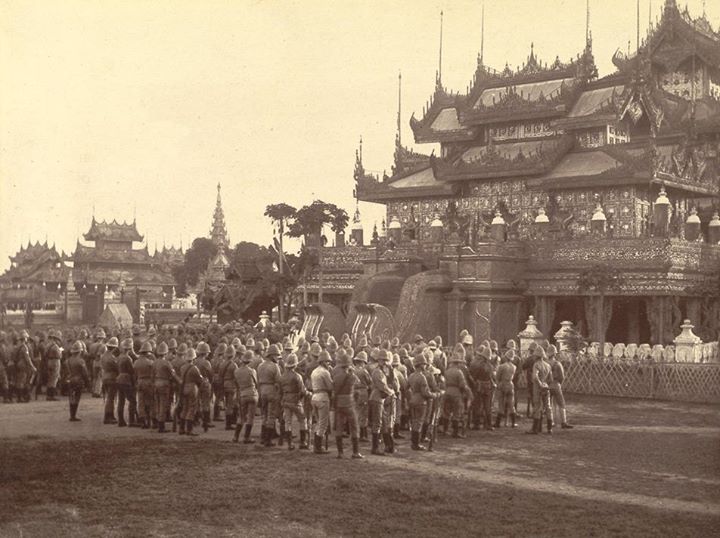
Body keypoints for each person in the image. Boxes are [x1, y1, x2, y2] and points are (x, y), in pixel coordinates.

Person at [331, 349, 363, 459]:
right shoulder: (352, 376)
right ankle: (355, 452)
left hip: (339, 403)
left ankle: (340, 452)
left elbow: (334, 389)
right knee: (354, 426)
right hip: (349, 403)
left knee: (339, 427)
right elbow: (358, 387)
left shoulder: (336, 376)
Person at [407, 352, 437, 451]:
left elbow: (406, 387)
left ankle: (413, 442)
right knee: (419, 422)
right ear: (420, 365)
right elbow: (425, 393)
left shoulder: (411, 375)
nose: (425, 365)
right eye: (424, 364)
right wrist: (436, 395)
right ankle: (416, 444)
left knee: (414, 421)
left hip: (413, 399)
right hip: (421, 401)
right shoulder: (422, 377)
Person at [279, 352, 308, 451]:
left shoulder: (282, 376)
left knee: (288, 421)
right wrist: (308, 394)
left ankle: (290, 443)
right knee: (303, 420)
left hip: (286, 400)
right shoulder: (297, 376)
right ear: (295, 364)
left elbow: (280, 390)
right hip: (296, 401)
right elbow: (302, 390)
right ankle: (303, 442)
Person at [368, 350, 394, 455]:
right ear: (378, 360)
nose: (385, 362)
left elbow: (389, 382)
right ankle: (375, 448)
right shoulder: (377, 372)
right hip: (377, 398)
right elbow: (382, 386)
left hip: (381, 399)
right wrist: (391, 392)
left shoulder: (383, 371)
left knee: (384, 422)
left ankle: (388, 446)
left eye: (386, 360)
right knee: (377, 423)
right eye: (382, 360)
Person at [444, 344, 472, 439]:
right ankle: (455, 432)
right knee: (456, 412)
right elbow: (462, 385)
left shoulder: (447, 371)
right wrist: (467, 392)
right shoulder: (459, 372)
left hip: (447, 391)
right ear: (458, 362)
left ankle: (445, 429)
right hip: (456, 393)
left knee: (447, 411)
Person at [153, 340, 180, 433]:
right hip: (164, 384)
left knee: (157, 404)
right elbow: (173, 375)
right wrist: (180, 381)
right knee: (163, 405)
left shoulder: (154, 362)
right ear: (166, 352)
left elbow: (152, 374)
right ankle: (161, 426)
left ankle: (157, 422)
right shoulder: (167, 363)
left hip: (156, 383)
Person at [257, 344, 282, 447]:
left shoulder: (260, 365)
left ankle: (263, 437)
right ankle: (268, 439)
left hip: (262, 390)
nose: (277, 358)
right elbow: (279, 381)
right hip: (271, 390)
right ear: (272, 356)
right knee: (271, 415)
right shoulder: (275, 366)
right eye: (276, 356)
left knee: (264, 415)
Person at [310, 350, 333, 454]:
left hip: (314, 397)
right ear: (323, 362)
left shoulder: (314, 371)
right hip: (323, 397)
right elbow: (330, 386)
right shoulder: (325, 372)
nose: (328, 363)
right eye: (327, 362)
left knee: (318, 422)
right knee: (323, 423)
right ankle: (318, 447)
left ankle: (316, 445)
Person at [233, 350, 259, 444]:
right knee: (250, 417)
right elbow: (256, 383)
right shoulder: (252, 371)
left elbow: (236, 384)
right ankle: (246, 437)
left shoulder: (236, 371)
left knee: (241, 416)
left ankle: (236, 436)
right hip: (252, 394)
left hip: (242, 394)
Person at [178, 348, 204, 436]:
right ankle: (189, 429)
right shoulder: (194, 368)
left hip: (184, 387)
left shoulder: (182, 367)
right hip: (192, 388)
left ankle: (181, 428)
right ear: (194, 358)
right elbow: (200, 380)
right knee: (191, 408)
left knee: (185, 407)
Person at [469, 345, 496, 431]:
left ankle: (476, 424)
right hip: (488, 386)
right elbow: (492, 377)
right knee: (487, 406)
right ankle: (489, 424)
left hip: (479, 386)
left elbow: (475, 376)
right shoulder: (491, 367)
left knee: (477, 405)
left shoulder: (478, 365)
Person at [528, 347, 553, 435]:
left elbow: (535, 377)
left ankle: (535, 429)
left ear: (537, 356)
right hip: (546, 387)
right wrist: (545, 384)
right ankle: (549, 428)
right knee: (548, 407)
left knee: (537, 407)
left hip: (538, 388)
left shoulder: (536, 364)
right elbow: (550, 379)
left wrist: (540, 384)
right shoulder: (548, 365)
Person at [548, 345, 573, 429]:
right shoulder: (557, 364)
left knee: (549, 404)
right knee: (561, 403)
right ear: (555, 354)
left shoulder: (545, 363)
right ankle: (563, 422)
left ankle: (550, 421)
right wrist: (559, 383)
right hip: (556, 384)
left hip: (547, 385)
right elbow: (562, 376)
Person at [117, 339, 139, 428]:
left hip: (119, 379)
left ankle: (121, 420)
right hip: (126, 380)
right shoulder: (128, 358)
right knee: (132, 400)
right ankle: (131, 421)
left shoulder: (119, 357)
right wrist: (134, 383)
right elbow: (131, 371)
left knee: (121, 401)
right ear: (130, 348)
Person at [66, 340, 90, 422]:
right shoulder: (81, 361)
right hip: (78, 380)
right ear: (80, 351)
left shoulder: (68, 360)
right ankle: (74, 416)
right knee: (76, 398)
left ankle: (72, 415)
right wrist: (88, 383)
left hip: (70, 379)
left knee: (71, 398)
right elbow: (85, 373)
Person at [134, 341, 156, 429]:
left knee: (141, 402)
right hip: (148, 382)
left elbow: (134, 374)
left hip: (140, 382)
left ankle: (143, 421)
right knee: (151, 402)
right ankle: (153, 420)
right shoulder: (150, 362)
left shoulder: (136, 362)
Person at [494, 350, 517, 428]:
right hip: (510, 384)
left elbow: (497, 377)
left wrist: (498, 384)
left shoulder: (502, 366)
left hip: (502, 384)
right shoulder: (514, 367)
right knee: (511, 404)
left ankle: (498, 422)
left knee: (501, 404)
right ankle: (513, 422)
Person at [352, 350, 371, 443]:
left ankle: (355, 433)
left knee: (356, 413)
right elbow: (369, 381)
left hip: (353, 392)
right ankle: (363, 435)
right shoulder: (364, 371)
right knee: (364, 414)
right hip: (363, 392)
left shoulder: (352, 370)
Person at [195, 342, 214, 432]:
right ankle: (206, 422)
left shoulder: (195, 361)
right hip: (205, 383)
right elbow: (210, 374)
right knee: (206, 403)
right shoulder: (206, 362)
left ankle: (196, 419)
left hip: (196, 383)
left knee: (197, 402)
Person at [100, 337, 120, 424]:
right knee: (110, 398)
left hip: (105, 377)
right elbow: (117, 368)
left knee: (108, 397)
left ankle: (110, 415)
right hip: (112, 378)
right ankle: (108, 416)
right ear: (114, 348)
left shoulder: (103, 356)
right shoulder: (112, 358)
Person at [14, 330, 36, 403]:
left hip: (18, 364)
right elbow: (27, 358)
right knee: (22, 381)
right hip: (23, 365)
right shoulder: (25, 347)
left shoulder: (18, 346)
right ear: (25, 338)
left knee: (19, 381)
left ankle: (20, 397)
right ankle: (20, 398)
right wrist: (32, 366)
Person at [220, 346, 239, 431]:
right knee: (230, 405)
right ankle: (229, 424)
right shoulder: (233, 365)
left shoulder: (222, 363)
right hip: (231, 385)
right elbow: (237, 376)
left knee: (228, 403)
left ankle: (229, 422)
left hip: (224, 384)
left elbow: (220, 375)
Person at [45, 330, 63, 401]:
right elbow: (60, 356)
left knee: (50, 379)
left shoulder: (48, 345)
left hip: (49, 361)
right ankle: (51, 395)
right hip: (55, 361)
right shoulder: (55, 346)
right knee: (54, 379)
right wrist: (61, 350)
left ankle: (48, 395)